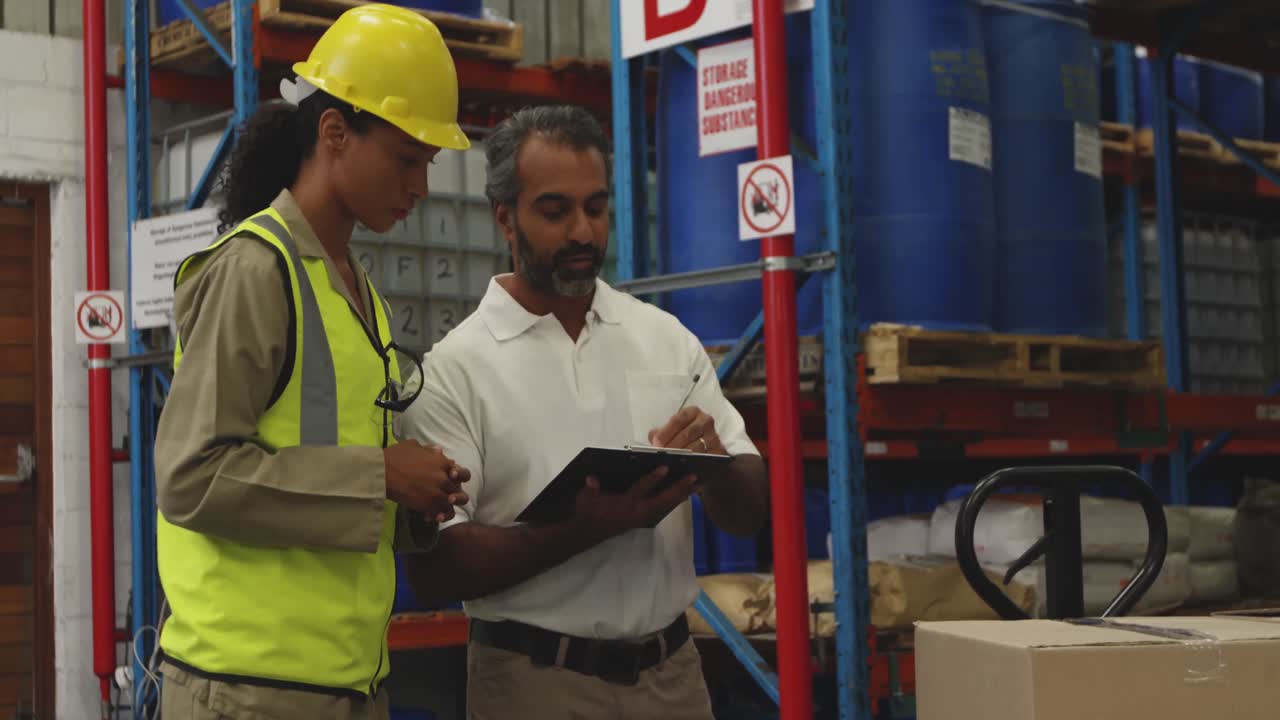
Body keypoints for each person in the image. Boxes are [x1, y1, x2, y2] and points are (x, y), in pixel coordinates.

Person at [395, 105, 770, 719]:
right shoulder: (454, 370)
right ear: (504, 217)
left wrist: (716, 462)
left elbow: (748, 512)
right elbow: (437, 568)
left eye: (596, 208)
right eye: (555, 211)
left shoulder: (664, 338)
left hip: (673, 680)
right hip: (533, 685)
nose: (582, 233)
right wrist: (585, 528)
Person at [152, 5, 474, 719]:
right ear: (334, 133)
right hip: (246, 690)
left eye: (428, 164)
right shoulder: (254, 271)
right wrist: (382, 475)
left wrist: (413, 500)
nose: (421, 188)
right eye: (407, 159)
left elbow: (326, 479)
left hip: (348, 684)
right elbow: (190, 477)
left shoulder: (358, 296)